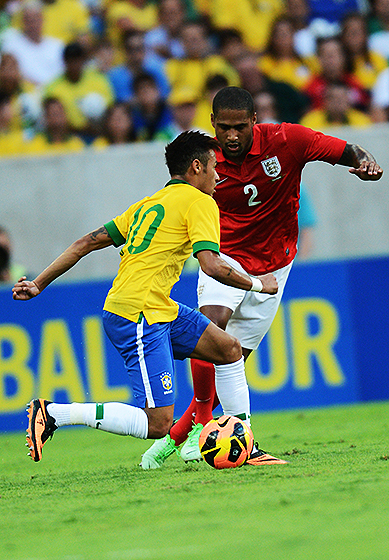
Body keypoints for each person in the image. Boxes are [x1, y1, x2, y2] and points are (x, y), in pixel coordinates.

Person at [141, 85, 383, 468]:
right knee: (212, 330)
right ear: (212, 125)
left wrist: (366, 160)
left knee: (230, 360)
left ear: (255, 121)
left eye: (239, 127)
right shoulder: (203, 160)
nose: (232, 136)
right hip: (225, 258)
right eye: (224, 128)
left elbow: (344, 150)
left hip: (275, 266)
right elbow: (173, 204)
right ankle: (212, 425)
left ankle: (176, 437)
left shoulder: (287, 140)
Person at [12, 130, 280, 465]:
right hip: (136, 313)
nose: (218, 175)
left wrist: (39, 283)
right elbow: (211, 265)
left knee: (228, 349)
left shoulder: (148, 204)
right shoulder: (201, 203)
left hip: (157, 307)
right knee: (158, 423)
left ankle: (246, 444)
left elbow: (85, 243)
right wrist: (258, 284)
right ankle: (54, 414)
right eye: (214, 167)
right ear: (196, 167)